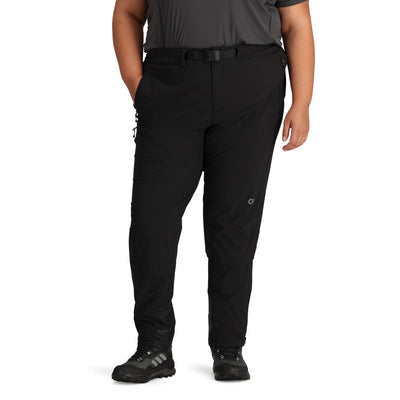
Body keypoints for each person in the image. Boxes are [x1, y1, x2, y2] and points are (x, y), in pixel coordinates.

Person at [111, 0, 314, 383]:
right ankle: (154, 346)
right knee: (152, 220)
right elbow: (127, 14)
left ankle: (228, 346)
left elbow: (297, 24)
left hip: (251, 88)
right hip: (170, 84)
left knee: (233, 221)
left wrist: (302, 101)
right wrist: (137, 85)